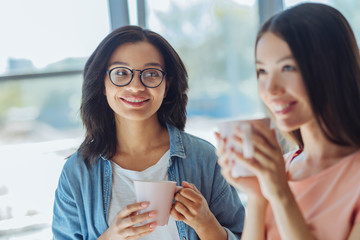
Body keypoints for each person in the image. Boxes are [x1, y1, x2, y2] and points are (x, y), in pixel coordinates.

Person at [52, 25, 244, 240]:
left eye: (151, 74)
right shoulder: (77, 172)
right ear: (102, 84)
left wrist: (206, 223)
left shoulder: (204, 158)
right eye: (121, 73)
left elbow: (247, 234)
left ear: (167, 84)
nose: (136, 87)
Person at [217, 3, 360, 240]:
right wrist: (257, 195)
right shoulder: (277, 170)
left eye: (287, 67)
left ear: (331, 69)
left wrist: (280, 193)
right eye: (262, 71)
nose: (270, 89)